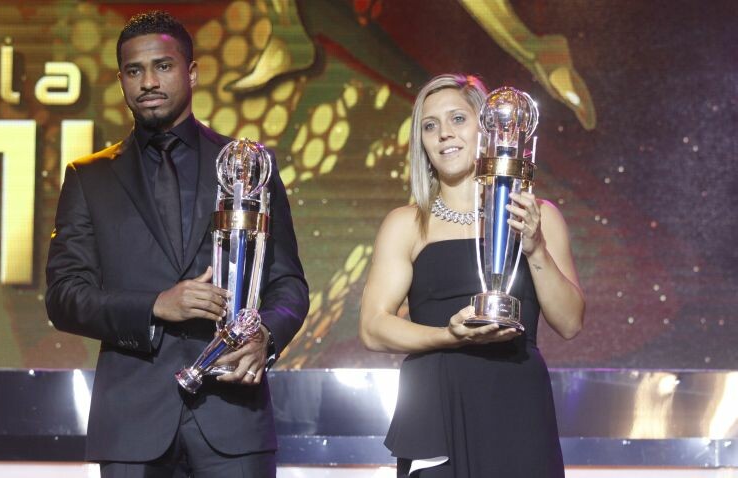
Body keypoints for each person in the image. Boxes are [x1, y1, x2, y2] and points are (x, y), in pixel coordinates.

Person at [45, 11, 308, 478]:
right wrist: (155, 306)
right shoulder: (89, 178)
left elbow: (288, 283)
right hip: (133, 425)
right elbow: (64, 297)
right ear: (121, 81)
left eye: (163, 66)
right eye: (134, 71)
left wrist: (265, 336)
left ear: (192, 72)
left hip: (233, 418)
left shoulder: (247, 167)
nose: (148, 81)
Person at [359, 74, 585, 477]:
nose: (444, 133)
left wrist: (535, 247)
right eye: (430, 125)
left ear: (489, 126)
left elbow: (570, 323)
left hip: (517, 406)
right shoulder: (406, 224)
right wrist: (449, 336)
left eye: (458, 119)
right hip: (436, 407)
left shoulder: (537, 216)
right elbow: (373, 328)